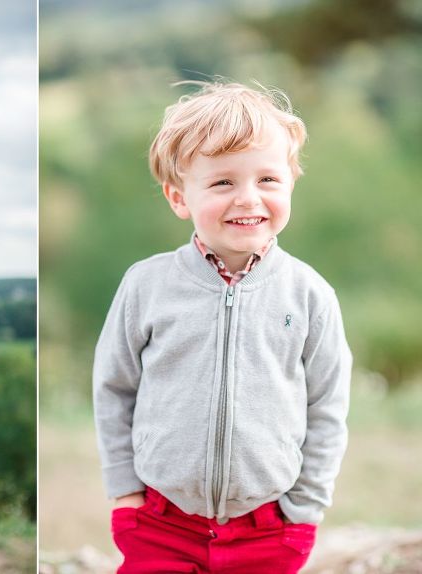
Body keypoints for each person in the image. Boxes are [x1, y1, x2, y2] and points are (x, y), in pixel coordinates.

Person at [93, 81, 352, 574]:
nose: (247, 198)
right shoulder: (146, 285)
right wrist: (125, 491)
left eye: (268, 180)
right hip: (161, 521)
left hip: (270, 526)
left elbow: (328, 406)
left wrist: (306, 509)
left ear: (291, 183)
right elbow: (114, 388)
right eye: (223, 183)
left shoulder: (310, 294)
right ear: (178, 197)